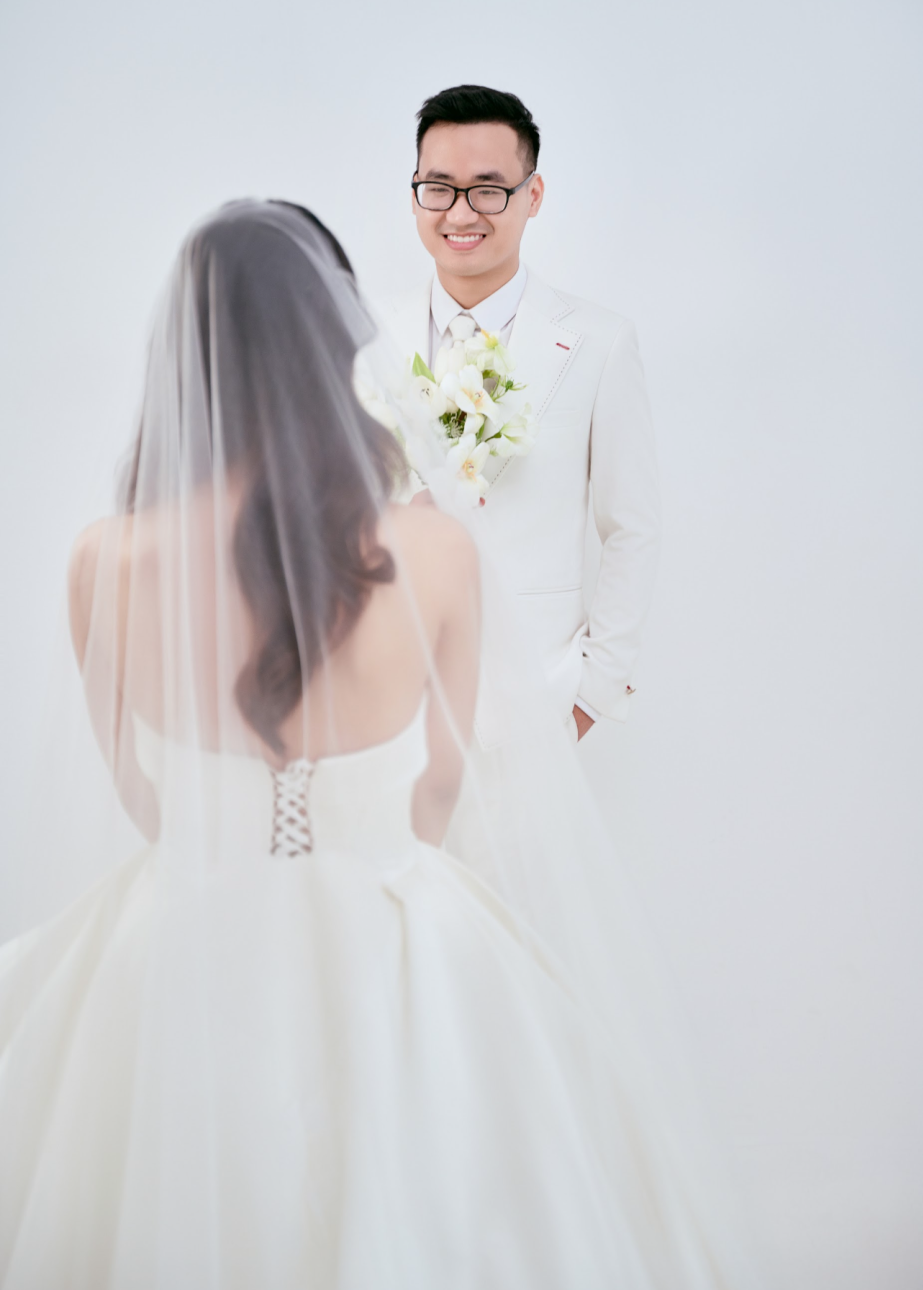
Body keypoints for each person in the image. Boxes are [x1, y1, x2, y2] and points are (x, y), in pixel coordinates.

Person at [0, 201, 751, 1288]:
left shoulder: (102, 563)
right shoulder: (434, 553)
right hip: (392, 935)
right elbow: (437, 790)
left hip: (178, 941)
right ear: (339, 343)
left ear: (181, 355)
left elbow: (140, 793)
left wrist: (237, 841)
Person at [385, 84, 660, 747]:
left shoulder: (599, 342)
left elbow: (631, 528)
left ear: (532, 195)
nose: (461, 212)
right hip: (382, 696)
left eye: (488, 190)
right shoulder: (364, 336)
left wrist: (591, 694)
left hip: (534, 701)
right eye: (438, 188)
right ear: (415, 193)